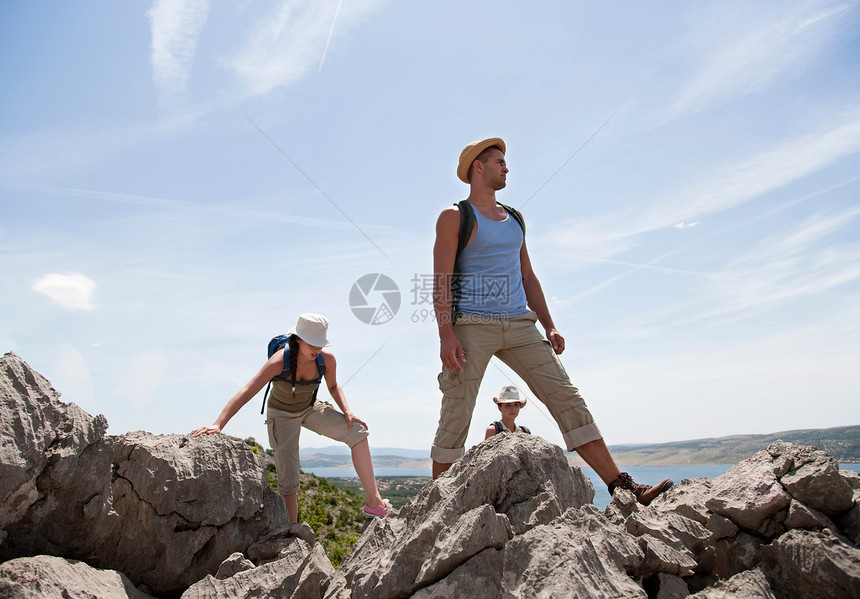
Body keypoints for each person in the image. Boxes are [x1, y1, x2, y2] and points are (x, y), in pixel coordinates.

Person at [431, 137, 673, 506]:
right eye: (499, 161)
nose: (506, 167)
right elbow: (441, 279)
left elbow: (528, 276)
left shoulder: (515, 219)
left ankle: (625, 488)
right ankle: (438, 506)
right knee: (456, 413)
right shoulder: (454, 217)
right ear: (477, 167)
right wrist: (446, 333)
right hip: (472, 326)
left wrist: (549, 323)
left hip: (520, 325)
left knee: (567, 398)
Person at [193, 313, 392, 524]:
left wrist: (347, 411)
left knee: (358, 433)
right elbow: (247, 391)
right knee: (289, 483)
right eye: (311, 343)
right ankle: (291, 532)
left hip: (310, 407)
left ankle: (374, 504)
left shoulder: (327, 360)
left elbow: (333, 386)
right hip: (282, 415)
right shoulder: (279, 361)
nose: (316, 349)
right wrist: (218, 424)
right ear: (297, 339)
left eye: (320, 344)